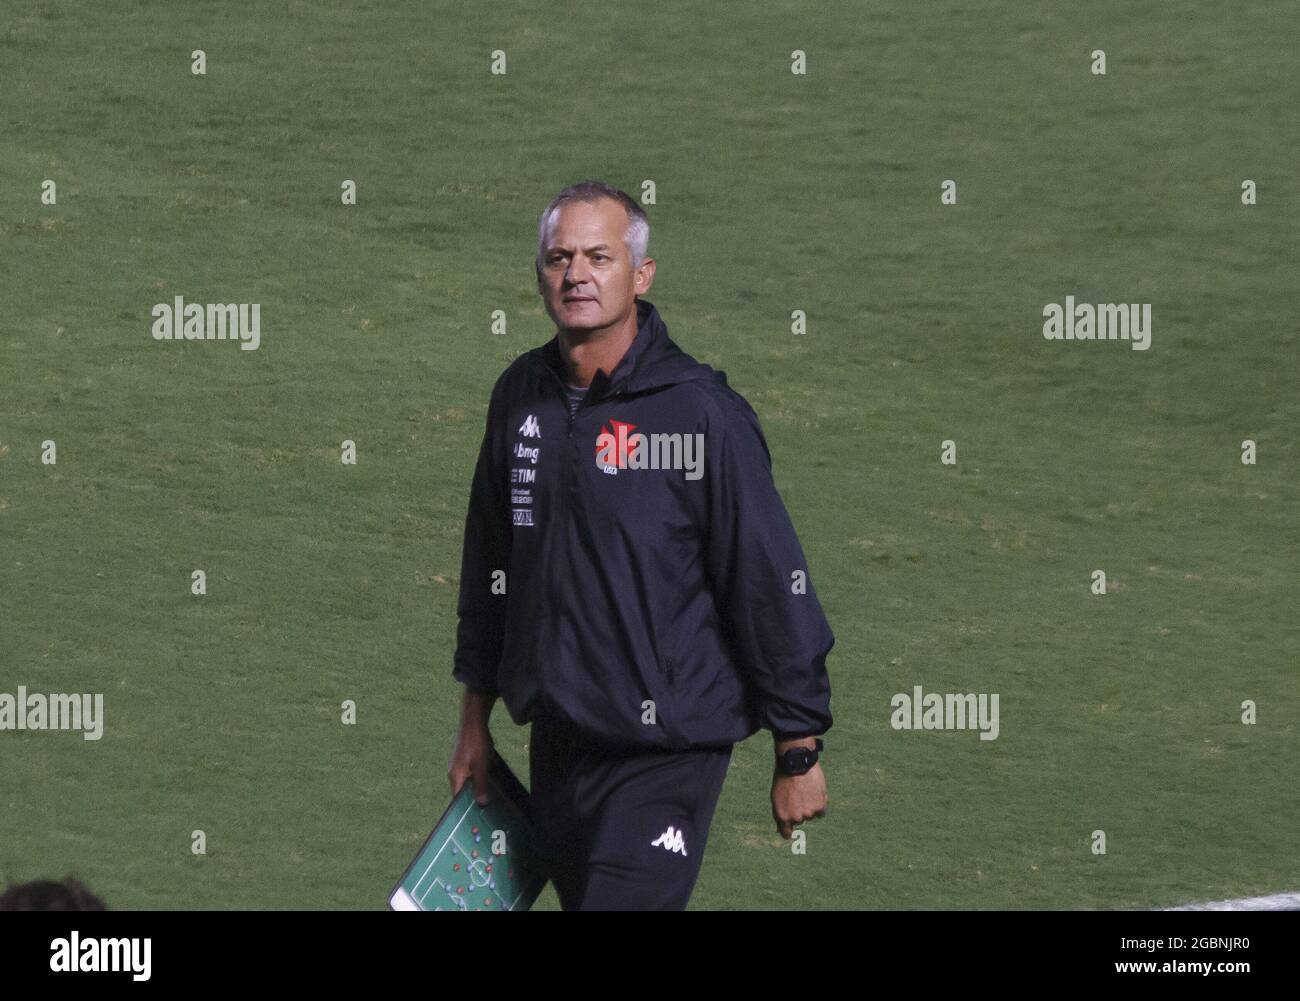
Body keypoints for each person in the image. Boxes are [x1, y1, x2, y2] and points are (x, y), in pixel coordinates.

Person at [447, 179, 834, 910]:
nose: (577, 275)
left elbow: (765, 575)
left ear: (641, 275)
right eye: (559, 258)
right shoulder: (520, 398)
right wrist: (474, 725)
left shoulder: (700, 415)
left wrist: (798, 744)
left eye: (599, 256)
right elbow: (492, 571)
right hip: (560, 744)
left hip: (665, 755)